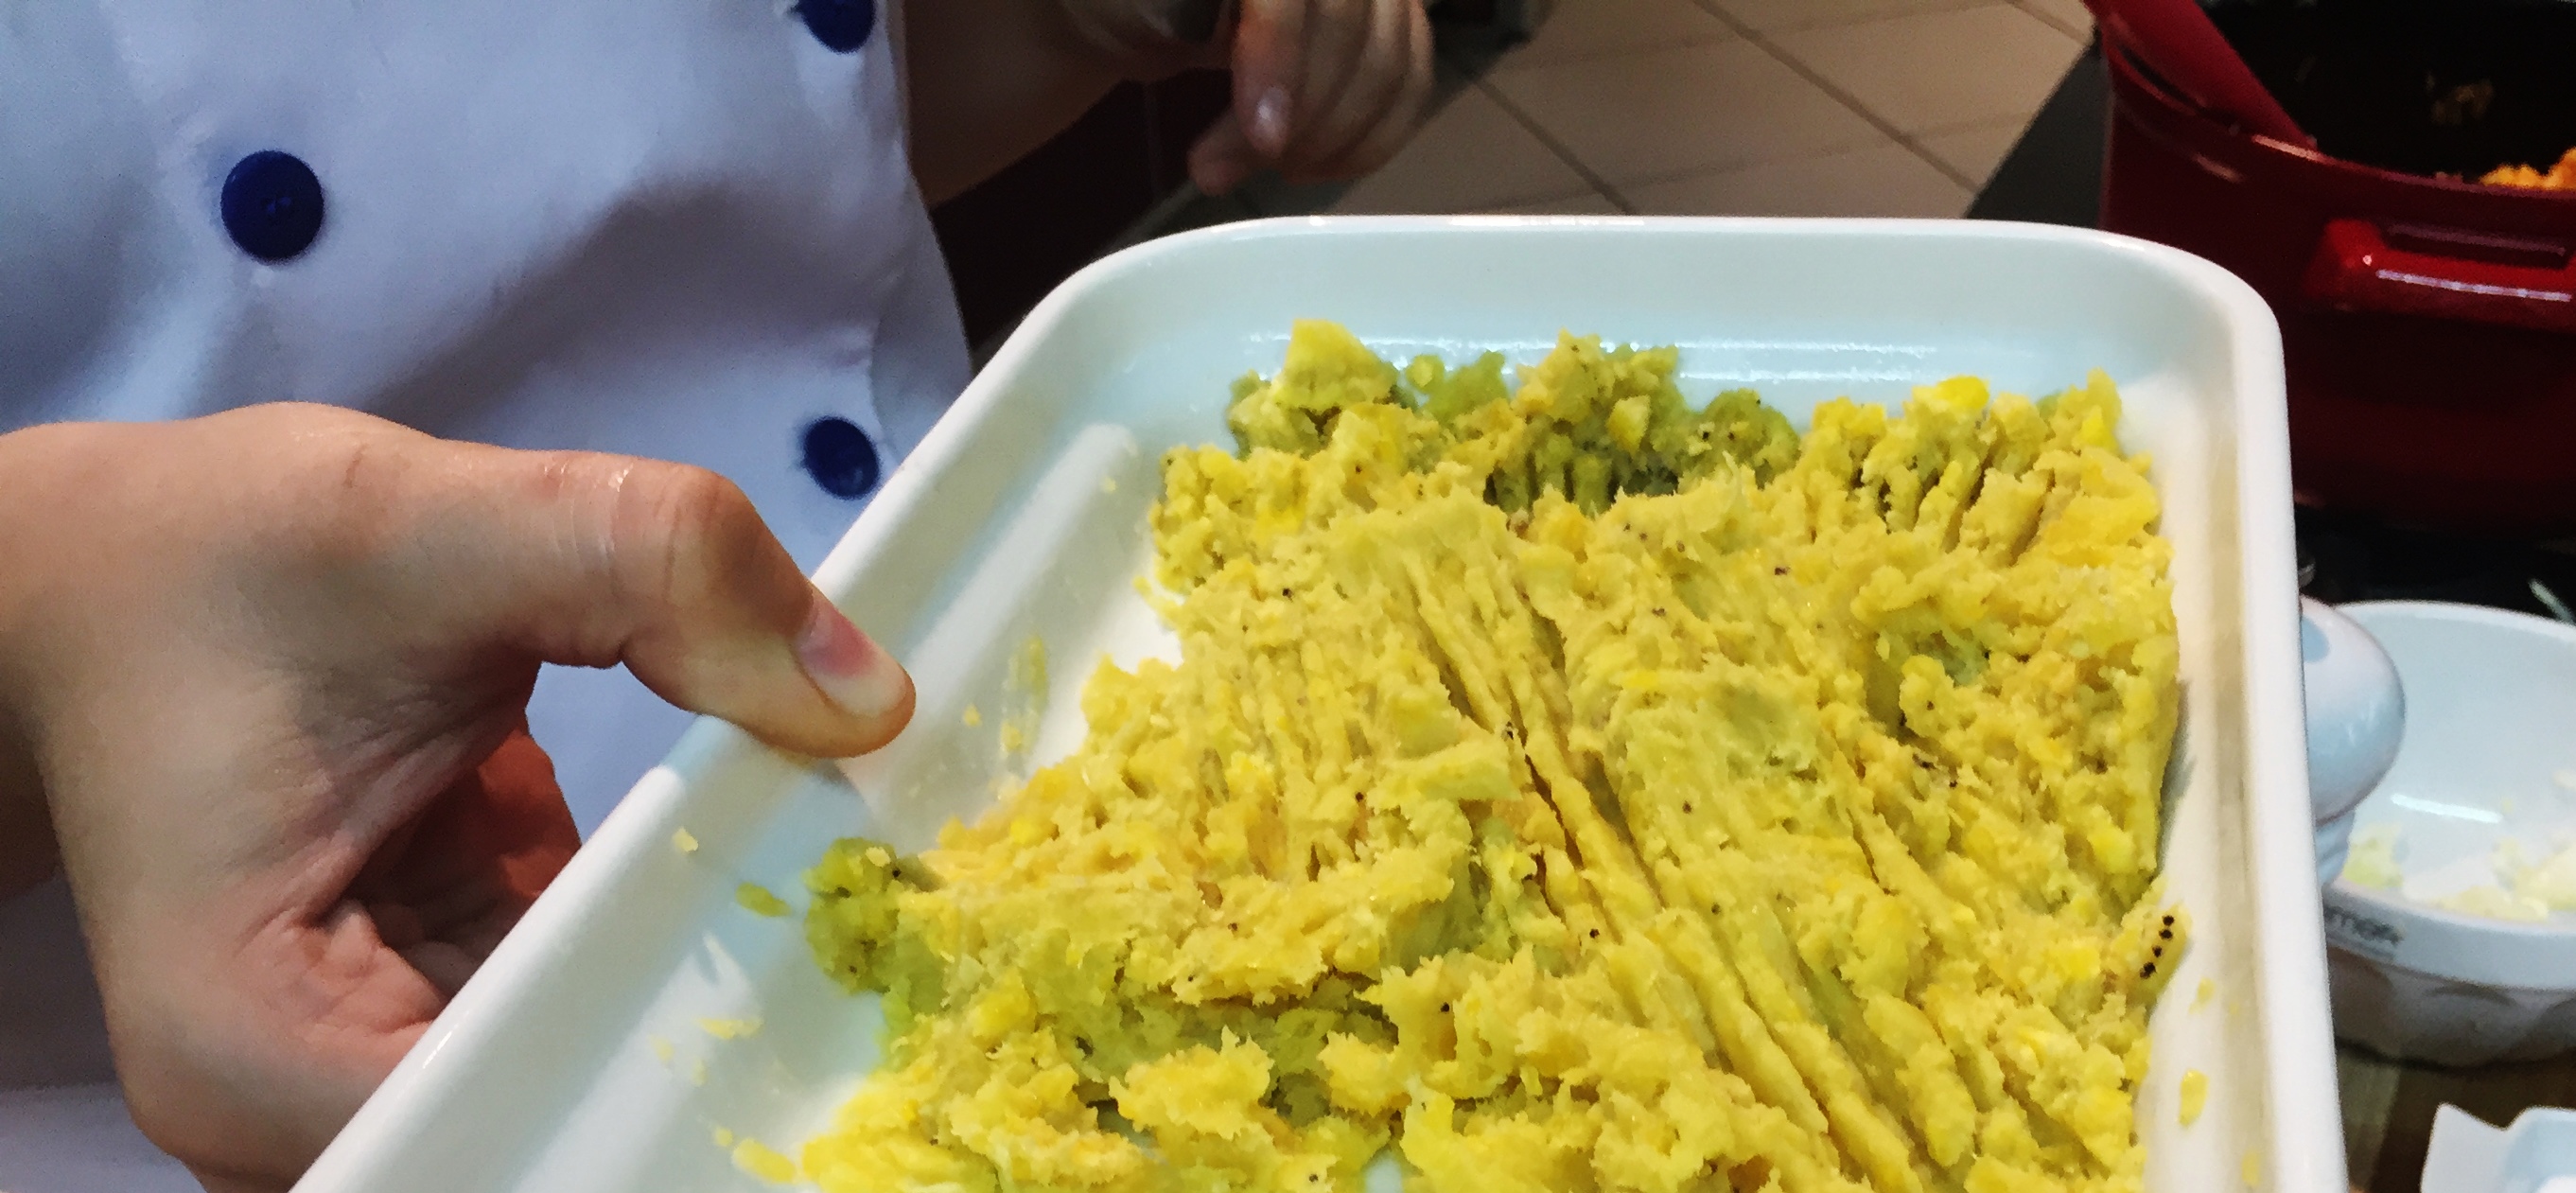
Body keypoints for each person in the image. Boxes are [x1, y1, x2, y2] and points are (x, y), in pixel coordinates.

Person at [0, 1, 1433, 1188]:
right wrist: (50, 624)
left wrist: (1054, 32)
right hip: (331, 995)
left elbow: (744, 152)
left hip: (984, 657)